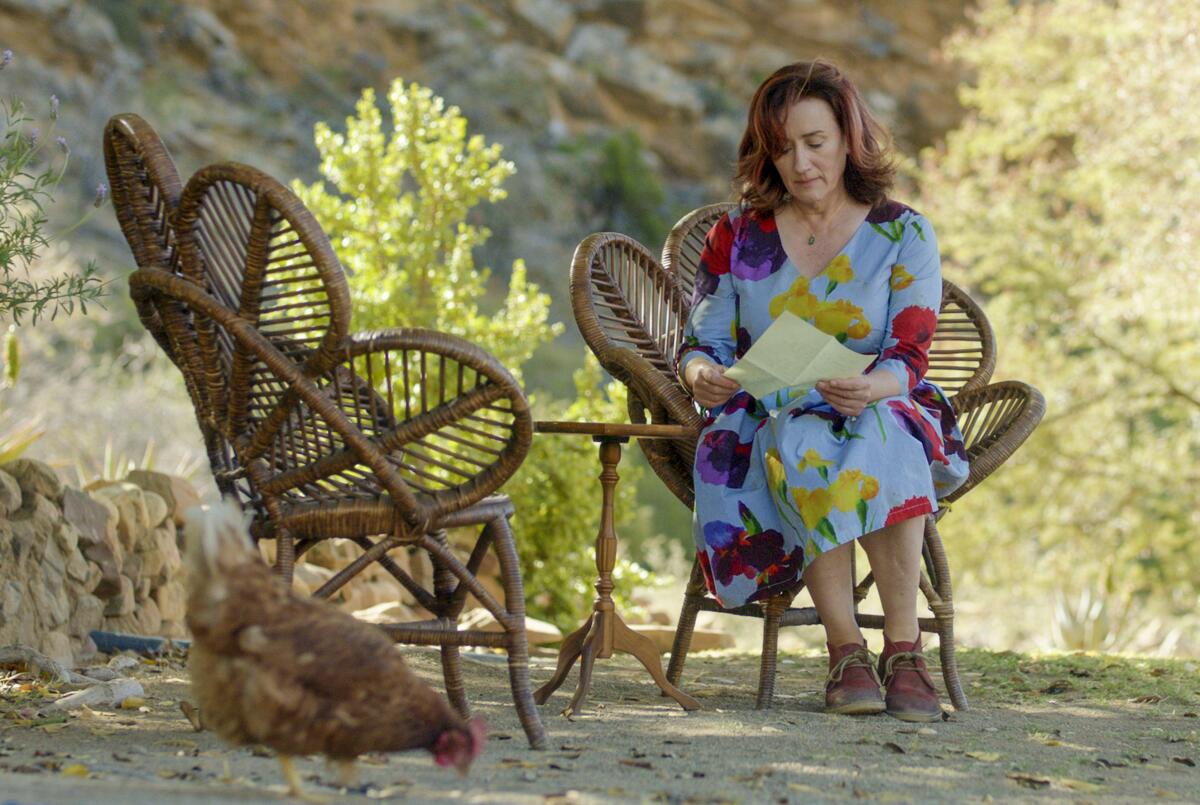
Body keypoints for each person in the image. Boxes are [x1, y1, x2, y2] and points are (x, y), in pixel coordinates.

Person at [676, 60, 970, 722]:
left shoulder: (903, 233)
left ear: (848, 138)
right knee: (800, 433)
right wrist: (703, 375)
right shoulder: (736, 236)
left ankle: (903, 649)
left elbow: (910, 355)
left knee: (884, 428)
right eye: (783, 147)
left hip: (880, 400)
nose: (801, 162)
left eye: (815, 141)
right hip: (771, 411)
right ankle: (847, 651)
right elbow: (702, 343)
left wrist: (869, 386)